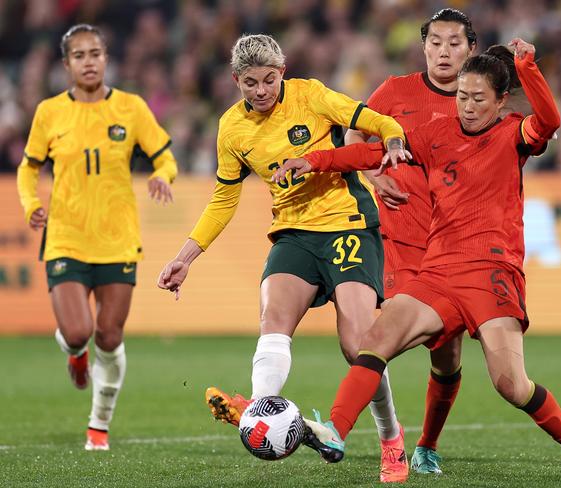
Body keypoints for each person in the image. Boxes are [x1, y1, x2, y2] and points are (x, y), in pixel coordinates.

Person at [273, 39, 561, 485]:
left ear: (501, 100)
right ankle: (336, 430)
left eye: (477, 99)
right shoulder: (437, 132)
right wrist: (315, 160)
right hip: (439, 271)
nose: (467, 107)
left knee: (511, 385)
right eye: (462, 96)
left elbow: (550, 120)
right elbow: (374, 152)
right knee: (376, 338)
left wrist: (527, 66)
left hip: (492, 274)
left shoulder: (514, 134)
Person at [157, 34, 410, 483]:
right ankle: (260, 412)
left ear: (283, 72)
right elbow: (222, 201)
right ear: (236, 80)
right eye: (250, 83)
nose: (261, 91)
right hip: (294, 234)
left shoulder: (311, 95)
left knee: (359, 345)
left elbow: (380, 121)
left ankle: (391, 440)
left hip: (347, 225)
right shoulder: (232, 129)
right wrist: (185, 257)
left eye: (269, 80)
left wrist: (391, 144)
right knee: (273, 318)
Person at [16, 24, 177, 451]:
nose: (89, 62)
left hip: (118, 239)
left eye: (96, 53)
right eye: (80, 55)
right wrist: (31, 202)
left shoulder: (131, 108)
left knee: (109, 335)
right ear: (66, 64)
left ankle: (99, 424)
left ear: (107, 58)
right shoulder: (50, 112)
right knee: (77, 331)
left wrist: (162, 176)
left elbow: (165, 157)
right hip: (66, 237)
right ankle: (74, 351)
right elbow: (28, 168)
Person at [344, 8, 476, 474]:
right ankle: (378, 437)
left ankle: (427, 443)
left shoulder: (477, 102)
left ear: (471, 49)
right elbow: (355, 133)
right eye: (435, 42)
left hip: (455, 248)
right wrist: (372, 179)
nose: (443, 51)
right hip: (400, 240)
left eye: (454, 43)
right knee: (378, 338)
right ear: (423, 47)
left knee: (447, 354)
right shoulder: (395, 92)